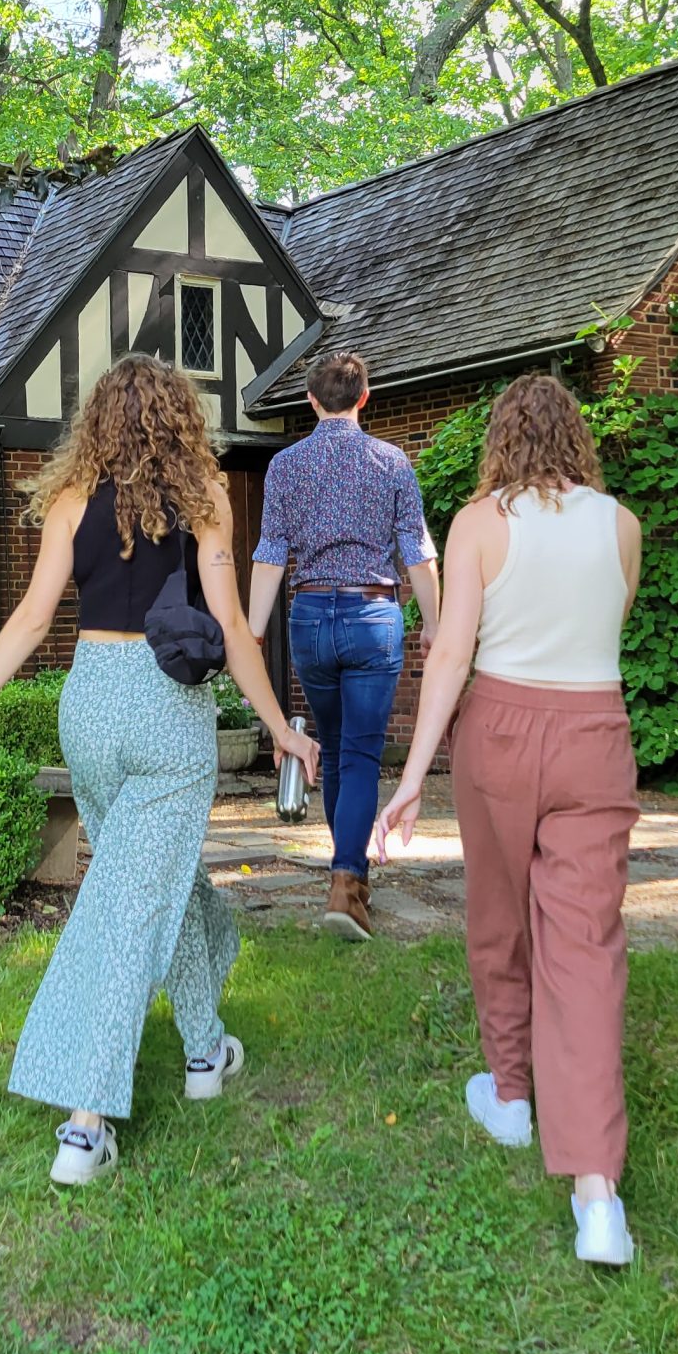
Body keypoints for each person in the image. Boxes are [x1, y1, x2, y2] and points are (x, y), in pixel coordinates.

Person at [0, 355, 320, 1187]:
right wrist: (280, 726)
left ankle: (205, 1049)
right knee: (124, 909)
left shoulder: (69, 502)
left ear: (96, 422)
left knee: (155, 884)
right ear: (181, 421)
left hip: (90, 705)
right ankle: (83, 1124)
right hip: (166, 713)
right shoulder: (206, 502)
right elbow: (235, 631)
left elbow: (31, 621)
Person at [374, 374, 644, 1266]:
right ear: (576, 437)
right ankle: (596, 1193)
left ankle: (511, 1094)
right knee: (585, 946)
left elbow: (451, 650)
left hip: (500, 726)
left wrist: (412, 774)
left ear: (501, 440)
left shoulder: (480, 523)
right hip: (595, 730)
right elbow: (608, 627)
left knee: (497, 920)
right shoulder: (621, 525)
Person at [246, 351, 441, 942]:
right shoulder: (391, 462)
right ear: (364, 397)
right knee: (357, 755)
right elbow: (417, 551)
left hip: (309, 618)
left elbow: (270, 553)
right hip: (372, 615)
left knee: (330, 749)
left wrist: (251, 632)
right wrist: (434, 625)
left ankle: (347, 879)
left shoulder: (285, 466)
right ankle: (346, 881)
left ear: (310, 401)